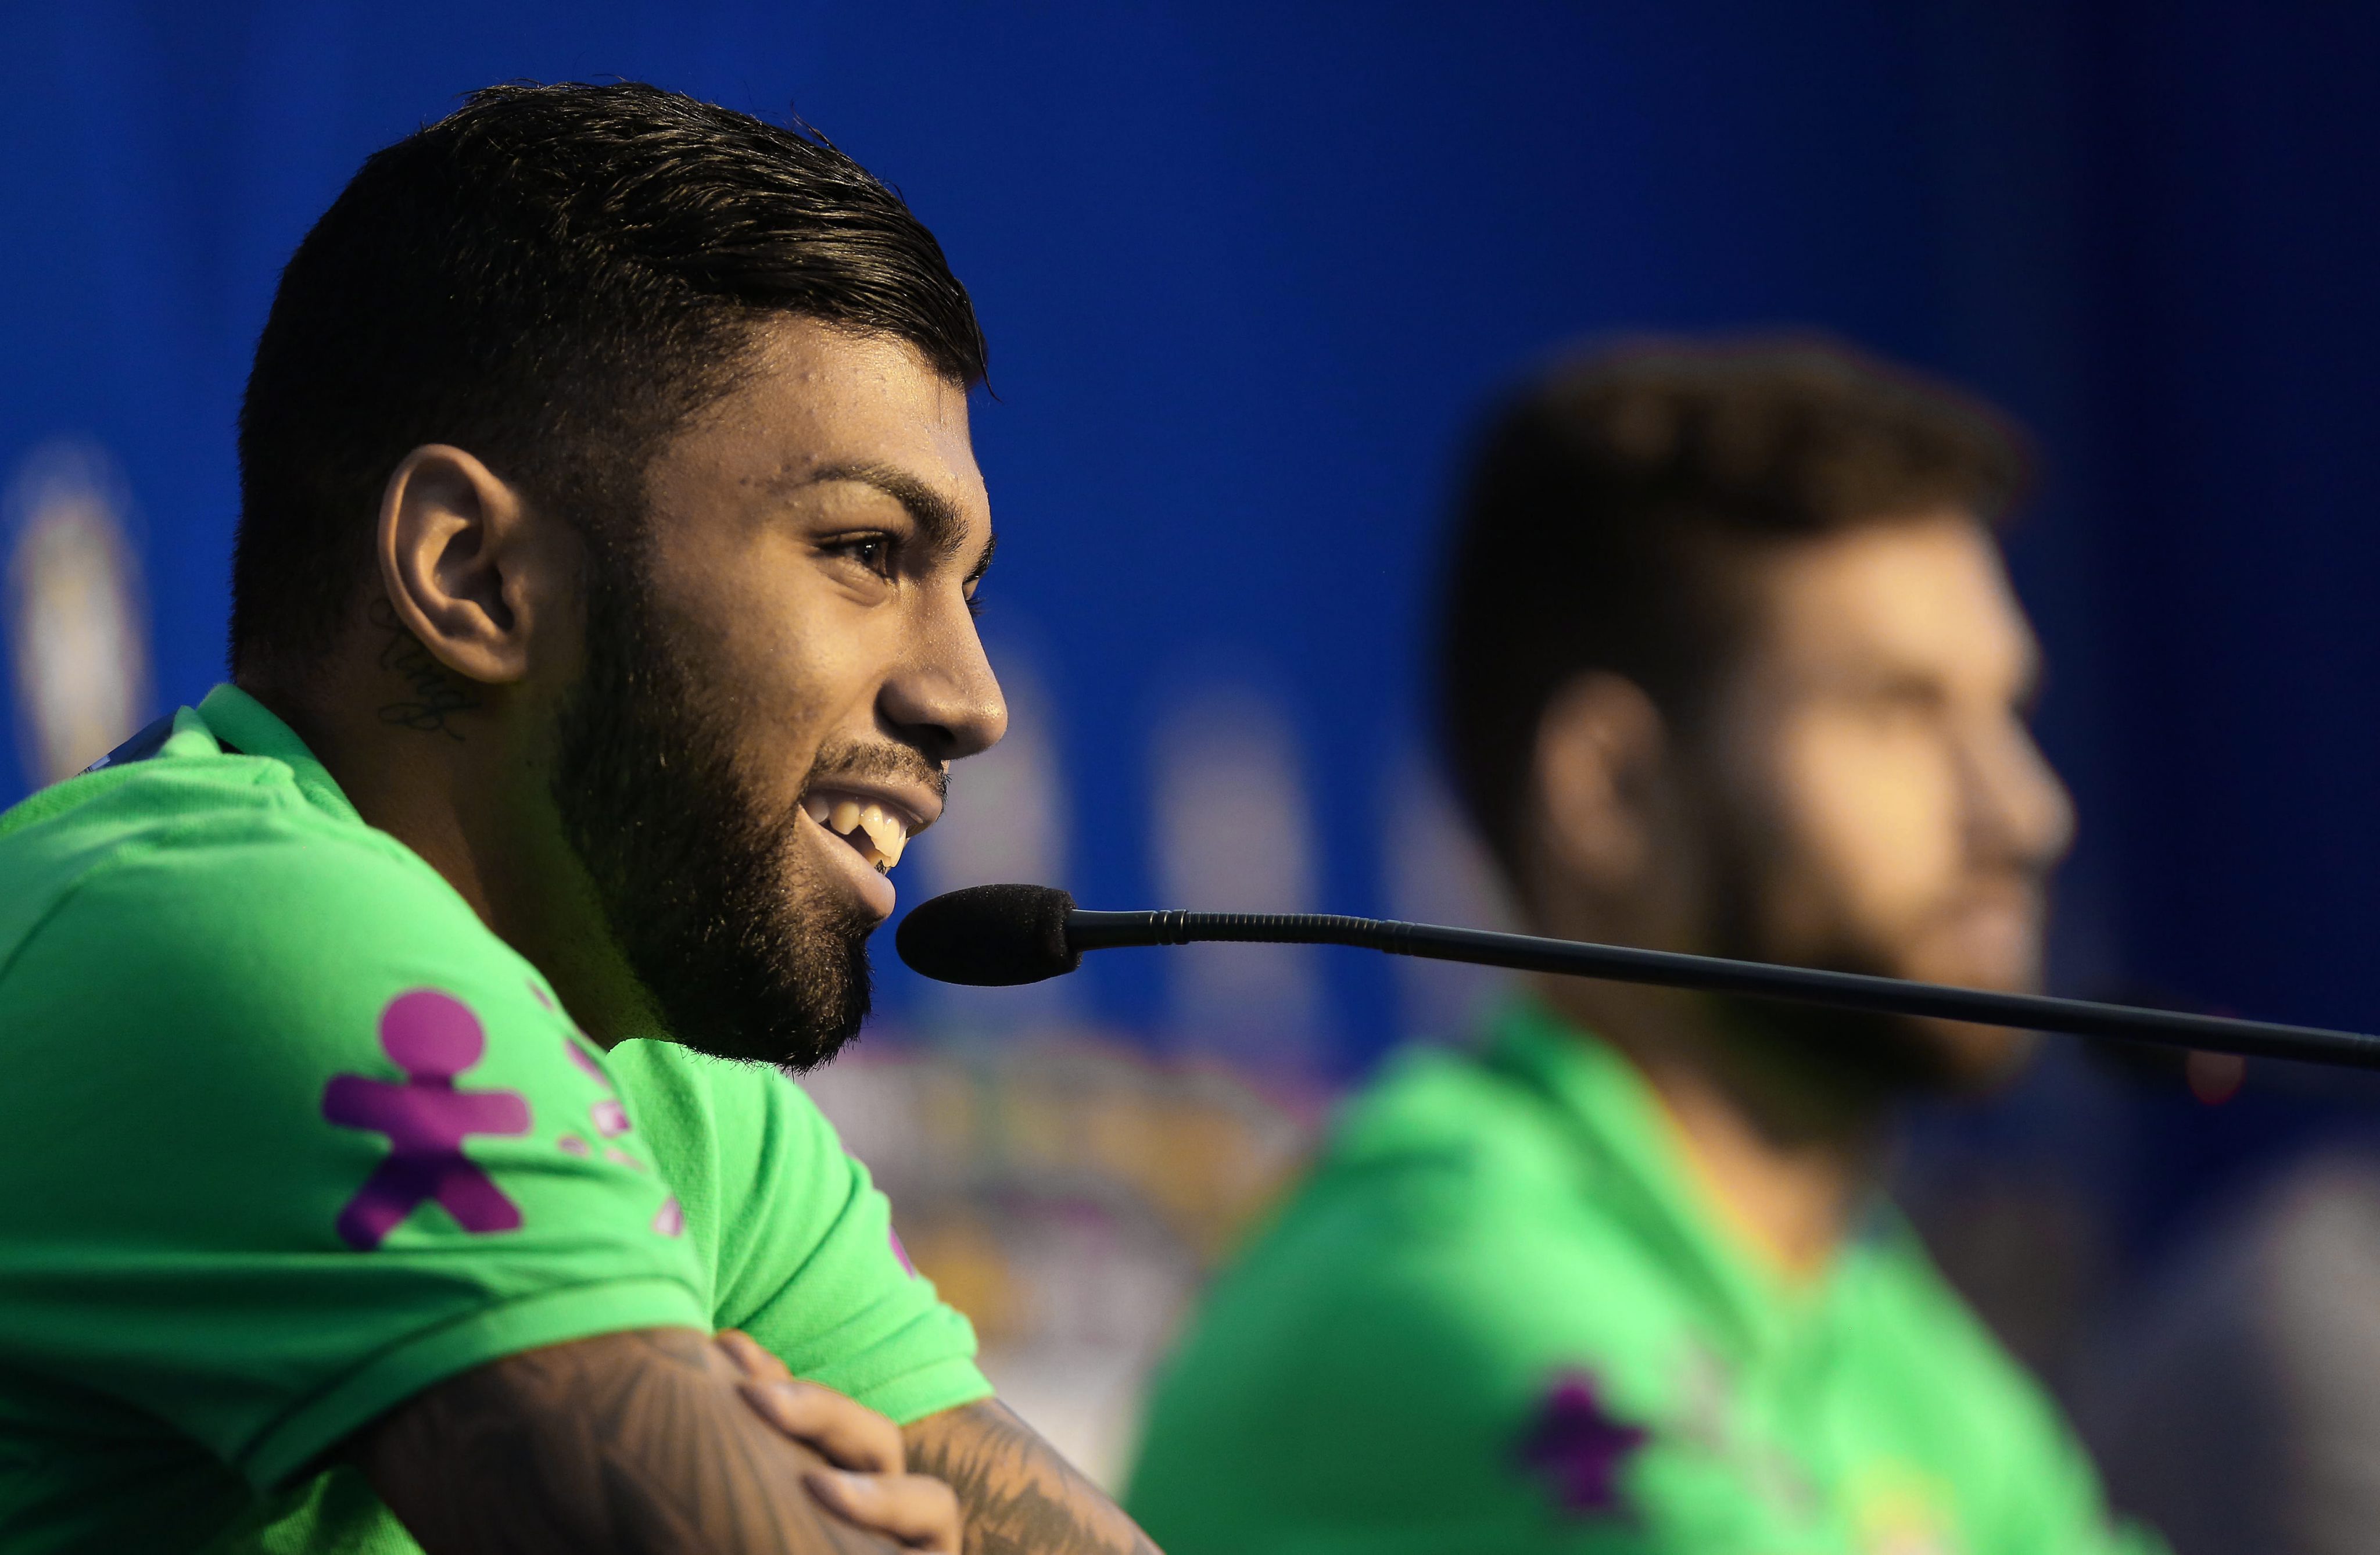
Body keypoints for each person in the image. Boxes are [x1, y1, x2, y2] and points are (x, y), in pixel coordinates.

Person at [0, 82, 1157, 1555]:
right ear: (473, 573)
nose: (971, 700)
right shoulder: (235, 926)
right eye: (865, 551)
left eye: (969, 591)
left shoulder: (677, 1092)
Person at [1127, 339, 2162, 1553]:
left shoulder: (1888, 1346)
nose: (2027, 812)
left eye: (2005, 714)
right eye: (1898, 712)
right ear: (1610, 795)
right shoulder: (1440, 1280)